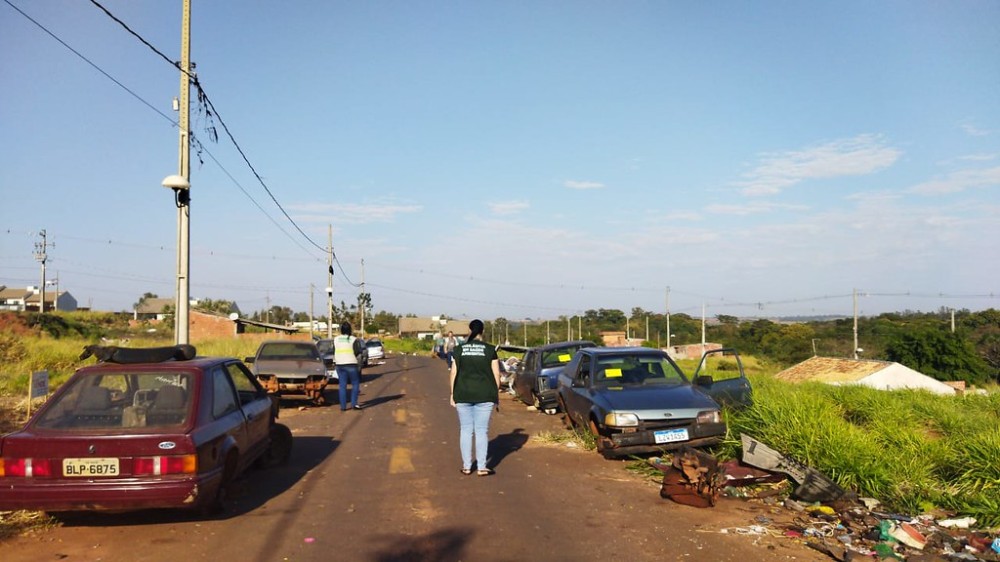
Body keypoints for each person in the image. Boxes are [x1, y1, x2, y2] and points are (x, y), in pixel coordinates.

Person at [449, 319, 500, 476]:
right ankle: (482, 467)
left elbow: (453, 372)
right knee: (481, 431)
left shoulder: (458, 350)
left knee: (465, 430)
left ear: (470, 331)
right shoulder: (490, 350)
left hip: (462, 394)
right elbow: (496, 373)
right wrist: (495, 394)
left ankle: (466, 466)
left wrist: (452, 394)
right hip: (485, 394)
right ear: (482, 331)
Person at [334, 322, 365, 411]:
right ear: (350, 330)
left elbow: (334, 350)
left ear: (341, 330)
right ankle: (354, 404)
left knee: (342, 385)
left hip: (339, 364)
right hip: (351, 364)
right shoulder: (353, 339)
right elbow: (357, 352)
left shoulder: (336, 339)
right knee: (355, 383)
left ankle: (343, 407)